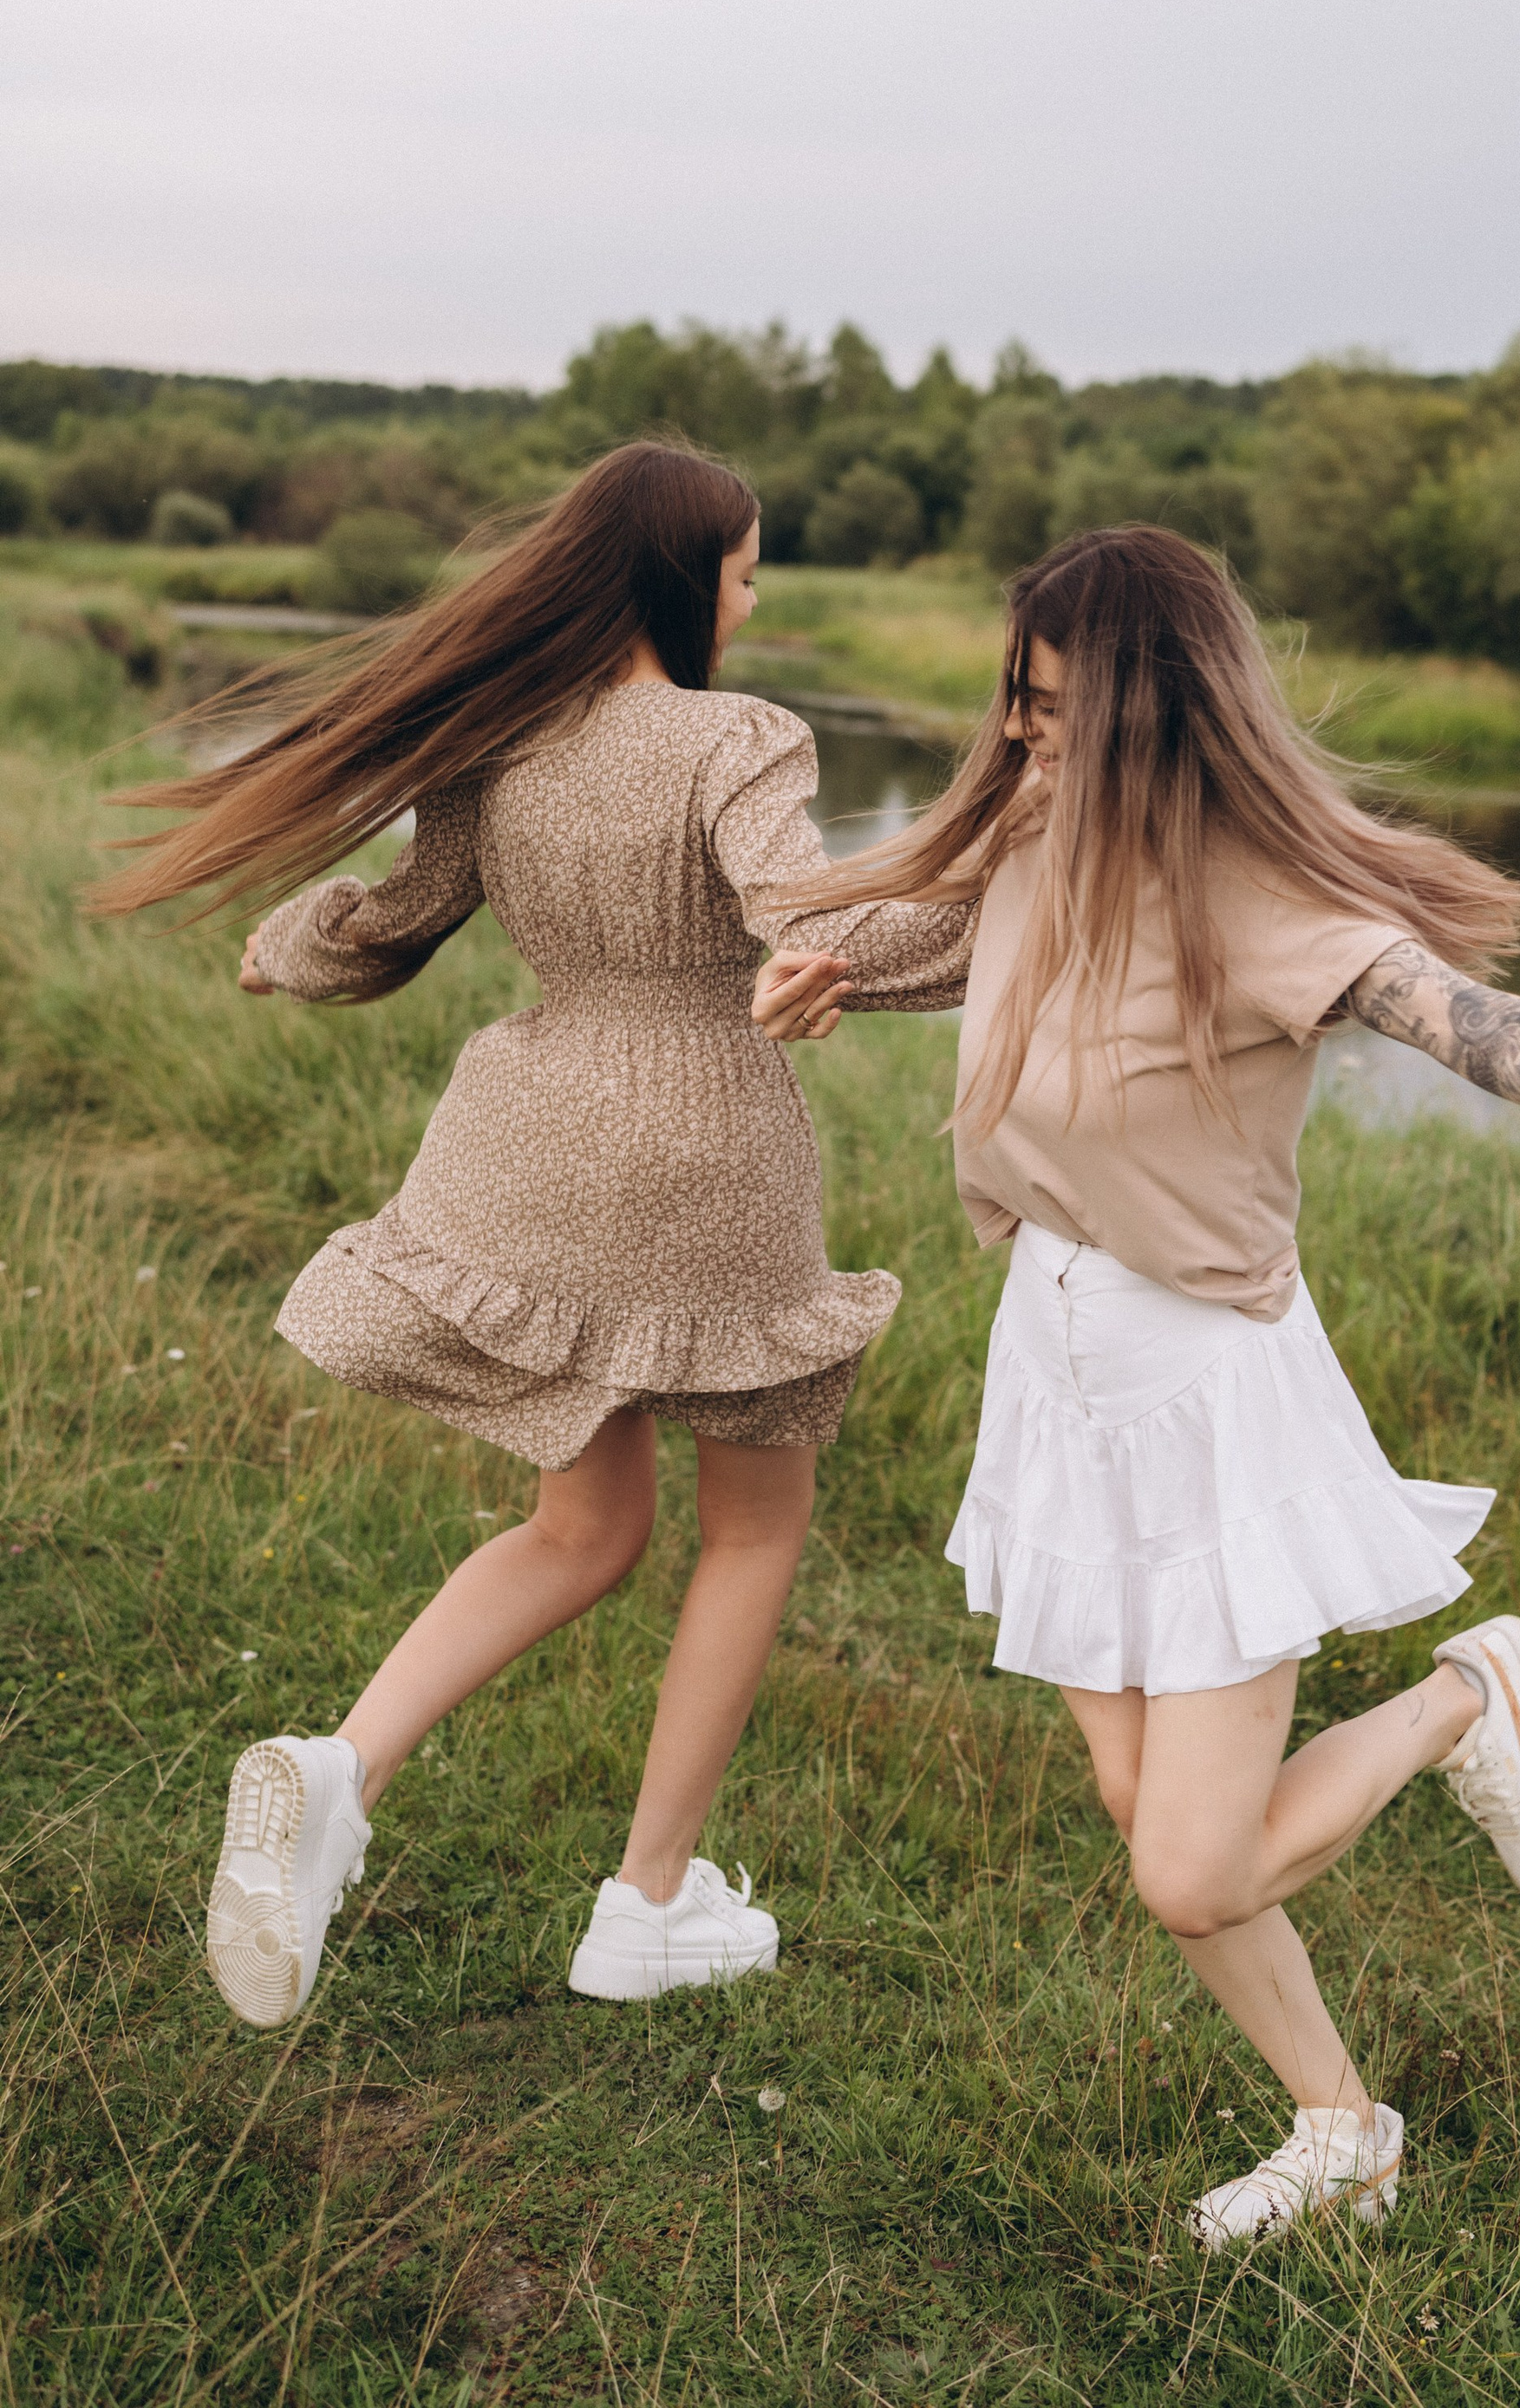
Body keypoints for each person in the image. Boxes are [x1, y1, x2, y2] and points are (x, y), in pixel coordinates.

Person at [751, 525, 1520, 2251]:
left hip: (1206, 1390)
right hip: (1053, 1366)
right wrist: (837, 971)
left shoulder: (1258, 902)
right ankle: (1344, 2129)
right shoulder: (1034, 838)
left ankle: (1469, 1694)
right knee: (1143, 1813)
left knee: (1192, 1867)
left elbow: (1484, 1033)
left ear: (1159, 714)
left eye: (1060, 712)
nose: (1022, 738)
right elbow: (965, 941)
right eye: (1017, 703)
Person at [95, 443, 973, 2029]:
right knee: (752, 1527)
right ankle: (648, 1902)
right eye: (745, 575)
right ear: (684, 577)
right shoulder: (738, 737)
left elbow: (399, 914)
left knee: (585, 1528)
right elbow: (807, 928)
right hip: (707, 1149)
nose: (750, 604)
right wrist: (1012, 917)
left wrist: (285, 948)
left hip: (535, 1141)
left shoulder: (501, 732)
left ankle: (341, 1770)